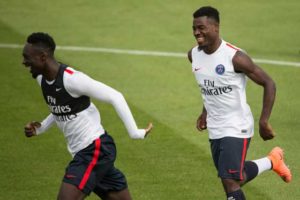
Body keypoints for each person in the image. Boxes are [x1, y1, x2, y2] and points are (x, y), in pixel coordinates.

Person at [22, 32, 153, 200]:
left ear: (42, 57)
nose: (24, 62)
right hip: (84, 152)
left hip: (94, 148)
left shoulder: (73, 80)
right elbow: (60, 109)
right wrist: (40, 128)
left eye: (27, 57)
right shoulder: (42, 79)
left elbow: (116, 96)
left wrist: (135, 132)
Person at [187, 6, 292, 200]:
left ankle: (272, 161)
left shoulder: (235, 57)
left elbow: (269, 83)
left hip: (237, 125)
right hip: (216, 127)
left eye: (201, 28)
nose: (196, 32)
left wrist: (264, 121)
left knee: (229, 180)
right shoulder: (193, 55)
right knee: (235, 177)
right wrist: (205, 112)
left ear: (216, 27)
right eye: (194, 28)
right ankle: (272, 161)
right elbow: (208, 84)